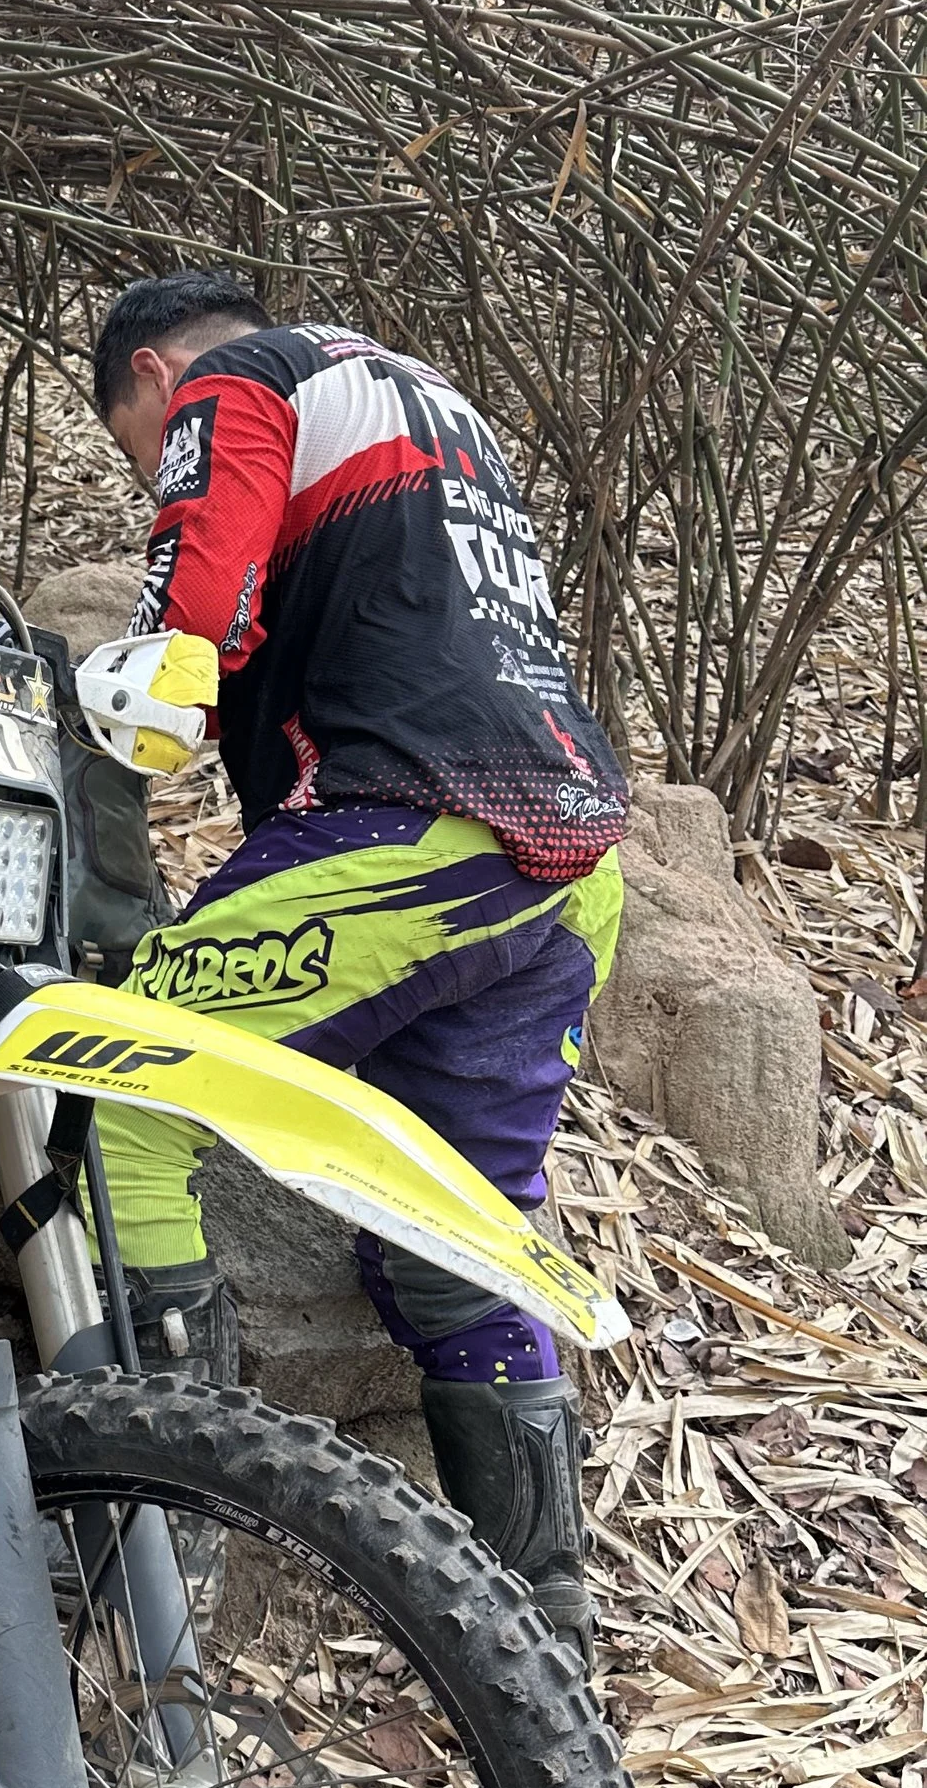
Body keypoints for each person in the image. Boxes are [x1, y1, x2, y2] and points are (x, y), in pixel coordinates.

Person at [88, 270, 628, 1653]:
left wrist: (118, 705)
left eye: (141, 451)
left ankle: (163, 1569)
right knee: (451, 1228)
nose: (156, 473)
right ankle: (537, 1653)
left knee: (123, 1095)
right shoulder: (437, 405)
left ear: (153, 379)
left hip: (408, 837)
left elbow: (192, 627)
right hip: (569, 864)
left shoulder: (238, 382)